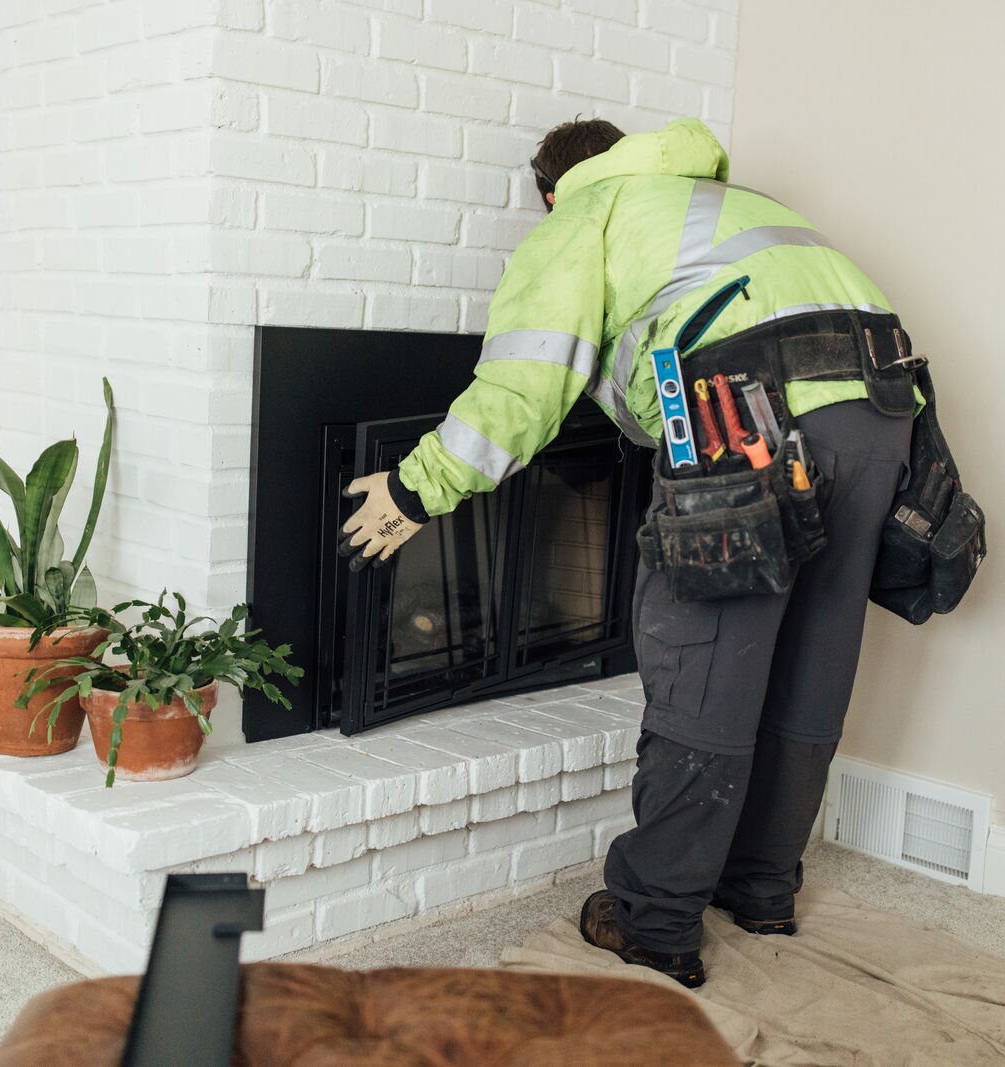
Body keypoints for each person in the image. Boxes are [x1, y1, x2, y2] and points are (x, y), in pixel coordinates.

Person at [339, 116, 922, 989]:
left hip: (746, 417)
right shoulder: (727, 203)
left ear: (551, 193)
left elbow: (525, 382)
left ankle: (655, 923)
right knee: (812, 654)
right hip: (880, 414)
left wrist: (415, 489)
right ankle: (762, 888)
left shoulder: (585, 215)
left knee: (705, 668)